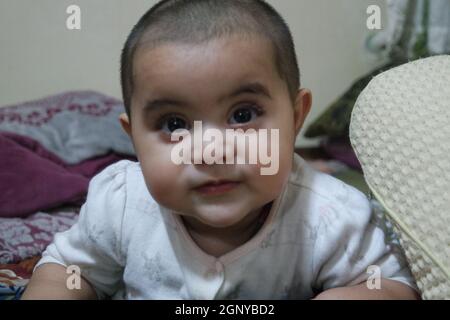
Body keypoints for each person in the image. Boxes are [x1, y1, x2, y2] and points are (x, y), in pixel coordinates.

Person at [22, 0, 419, 299]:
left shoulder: (331, 215)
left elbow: (389, 284)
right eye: (173, 125)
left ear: (296, 117)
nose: (211, 152)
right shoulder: (120, 203)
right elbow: (68, 270)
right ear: (134, 140)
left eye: (243, 114)